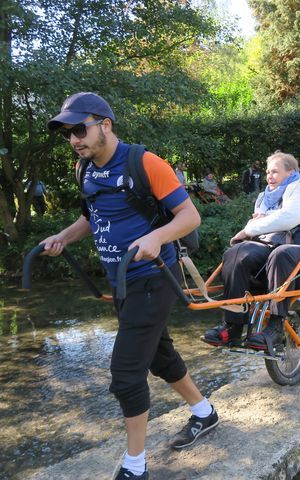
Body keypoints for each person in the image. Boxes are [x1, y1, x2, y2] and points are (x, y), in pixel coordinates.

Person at [42, 92, 217, 480]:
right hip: (121, 281)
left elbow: (190, 217)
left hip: (154, 278)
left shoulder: (145, 162)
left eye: (79, 129)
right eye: (68, 133)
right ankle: (205, 413)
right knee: (159, 356)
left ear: (105, 124)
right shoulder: (84, 170)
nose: (74, 139)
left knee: (124, 374)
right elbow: (92, 217)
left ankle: (135, 466)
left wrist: (157, 238)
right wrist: (62, 238)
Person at [204, 151, 300, 351]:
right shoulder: (264, 196)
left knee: (280, 255)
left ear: (291, 171)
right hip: (272, 243)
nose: (269, 176)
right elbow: (260, 223)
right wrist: (255, 226)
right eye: (267, 172)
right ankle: (233, 326)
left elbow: (289, 217)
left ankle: (275, 326)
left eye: (275, 172)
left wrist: (251, 227)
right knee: (235, 253)